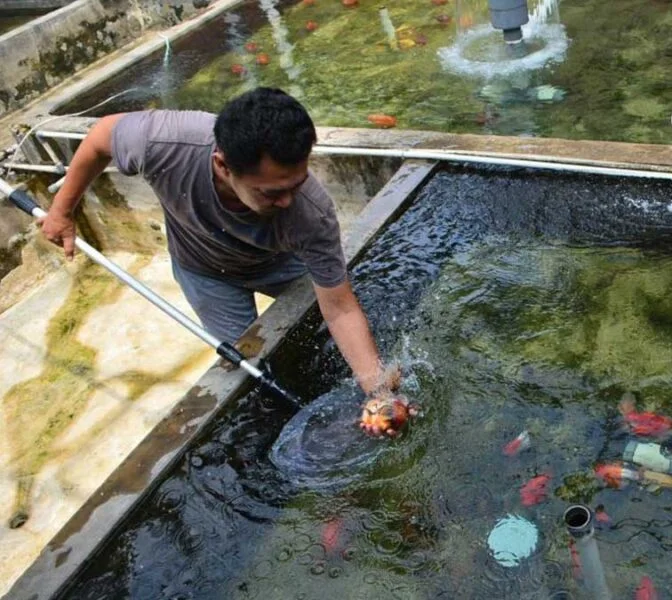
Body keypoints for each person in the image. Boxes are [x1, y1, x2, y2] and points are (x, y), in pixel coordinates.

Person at [39, 87, 407, 436]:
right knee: (250, 368)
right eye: (273, 192)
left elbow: (340, 308)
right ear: (222, 165)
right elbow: (100, 137)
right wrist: (61, 211)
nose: (288, 202)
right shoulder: (166, 142)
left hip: (277, 263)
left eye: (298, 182)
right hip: (203, 270)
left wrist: (378, 392)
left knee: (327, 335)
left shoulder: (311, 213)